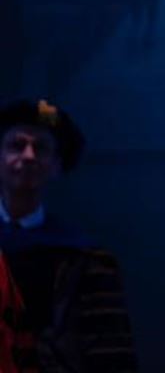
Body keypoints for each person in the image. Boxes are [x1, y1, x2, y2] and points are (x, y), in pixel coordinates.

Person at [0, 99, 137, 372]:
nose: (28, 155)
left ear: (56, 165)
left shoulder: (85, 260)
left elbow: (110, 353)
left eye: (40, 148)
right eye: (17, 145)